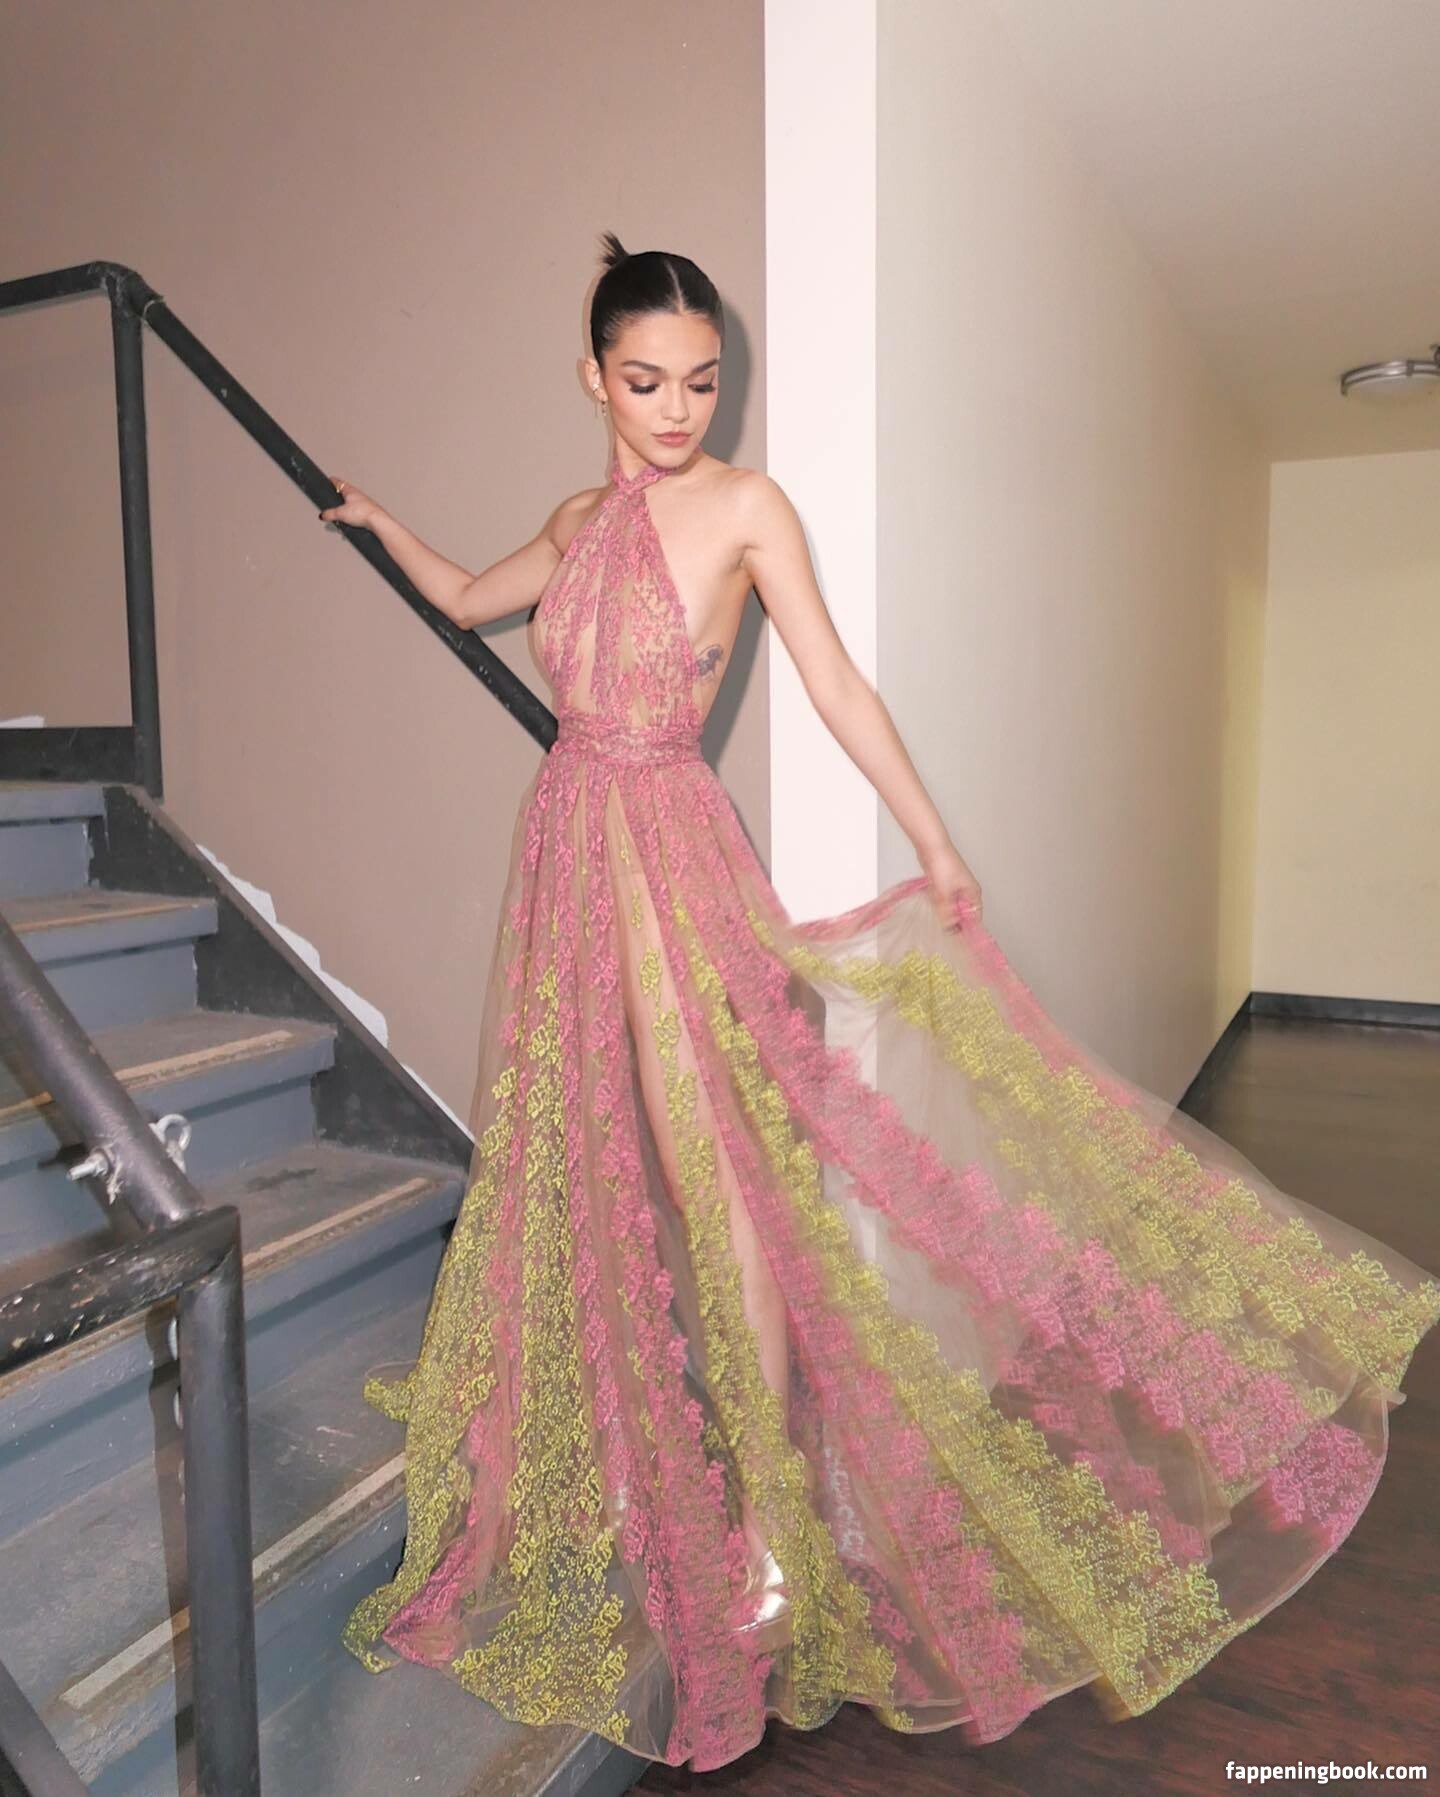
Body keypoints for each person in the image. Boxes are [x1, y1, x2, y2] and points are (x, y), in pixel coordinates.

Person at [318, 232, 1440, 1774]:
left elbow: (837, 683)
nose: (679, 409)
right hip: (568, 855)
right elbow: (462, 599)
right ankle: (627, 1467)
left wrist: (934, 840)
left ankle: (773, 1529)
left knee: (717, 1175)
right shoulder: (578, 522)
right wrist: (379, 519)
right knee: (582, 1163)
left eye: (702, 380)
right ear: (592, 377)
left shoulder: (746, 509)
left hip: (669, 851)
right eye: (646, 381)